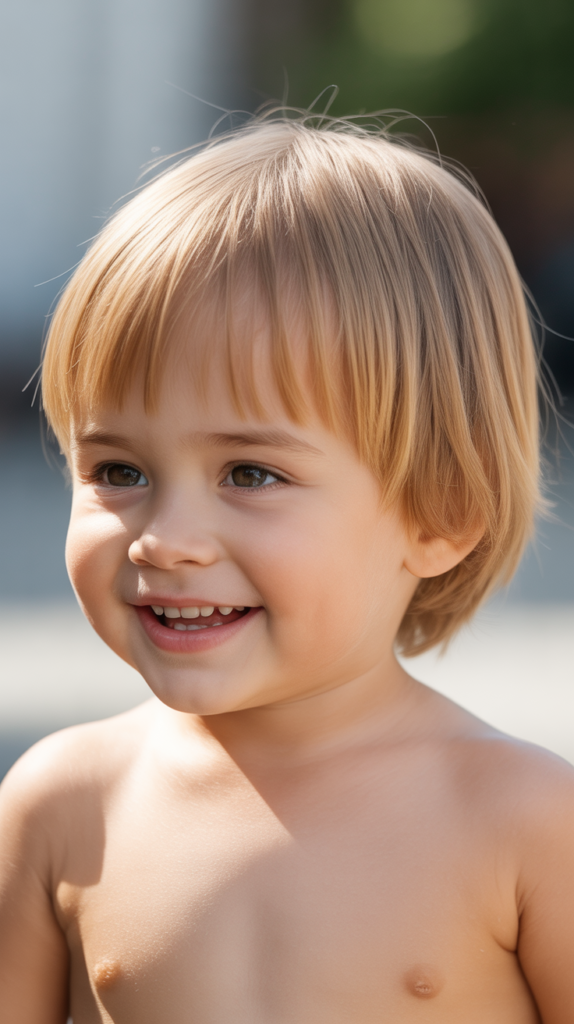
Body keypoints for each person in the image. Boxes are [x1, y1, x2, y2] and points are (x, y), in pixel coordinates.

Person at [1, 112, 573, 1024]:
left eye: (251, 473)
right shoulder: (61, 805)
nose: (166, 538)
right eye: (119, 471)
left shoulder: (525, 821)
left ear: (440, 514)